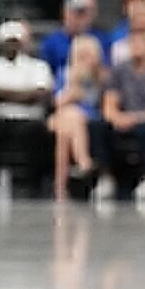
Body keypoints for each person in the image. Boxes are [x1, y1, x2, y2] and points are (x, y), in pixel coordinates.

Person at [0, 20, 53, 197]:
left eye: (15, 41)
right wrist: (22, 95)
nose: (11, 45)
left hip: (27, 118)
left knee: (36, 132)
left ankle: (32, 184)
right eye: (8, 41)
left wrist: (4, 95)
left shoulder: (38, 66)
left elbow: (40, 93)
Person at [103, 21, 145, 200]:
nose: (137, 47)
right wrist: (117, 117)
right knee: (98, 125)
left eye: (143, 42)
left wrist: (131, 119)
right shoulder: (118, 71)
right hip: (122, 118)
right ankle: (105, 177)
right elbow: (109, 105)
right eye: (133, 42)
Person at [48, 34, 108, 199]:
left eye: (88, 55)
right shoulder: (64, 73)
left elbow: (99, 103)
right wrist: (74, 83)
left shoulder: (101, 77)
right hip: (63, 114)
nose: (85, 60)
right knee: (70, 117)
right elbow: (58, 102)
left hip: (85, 116)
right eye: (81, 55)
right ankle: (84, 163)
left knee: (66, 126)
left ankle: (61, 184)